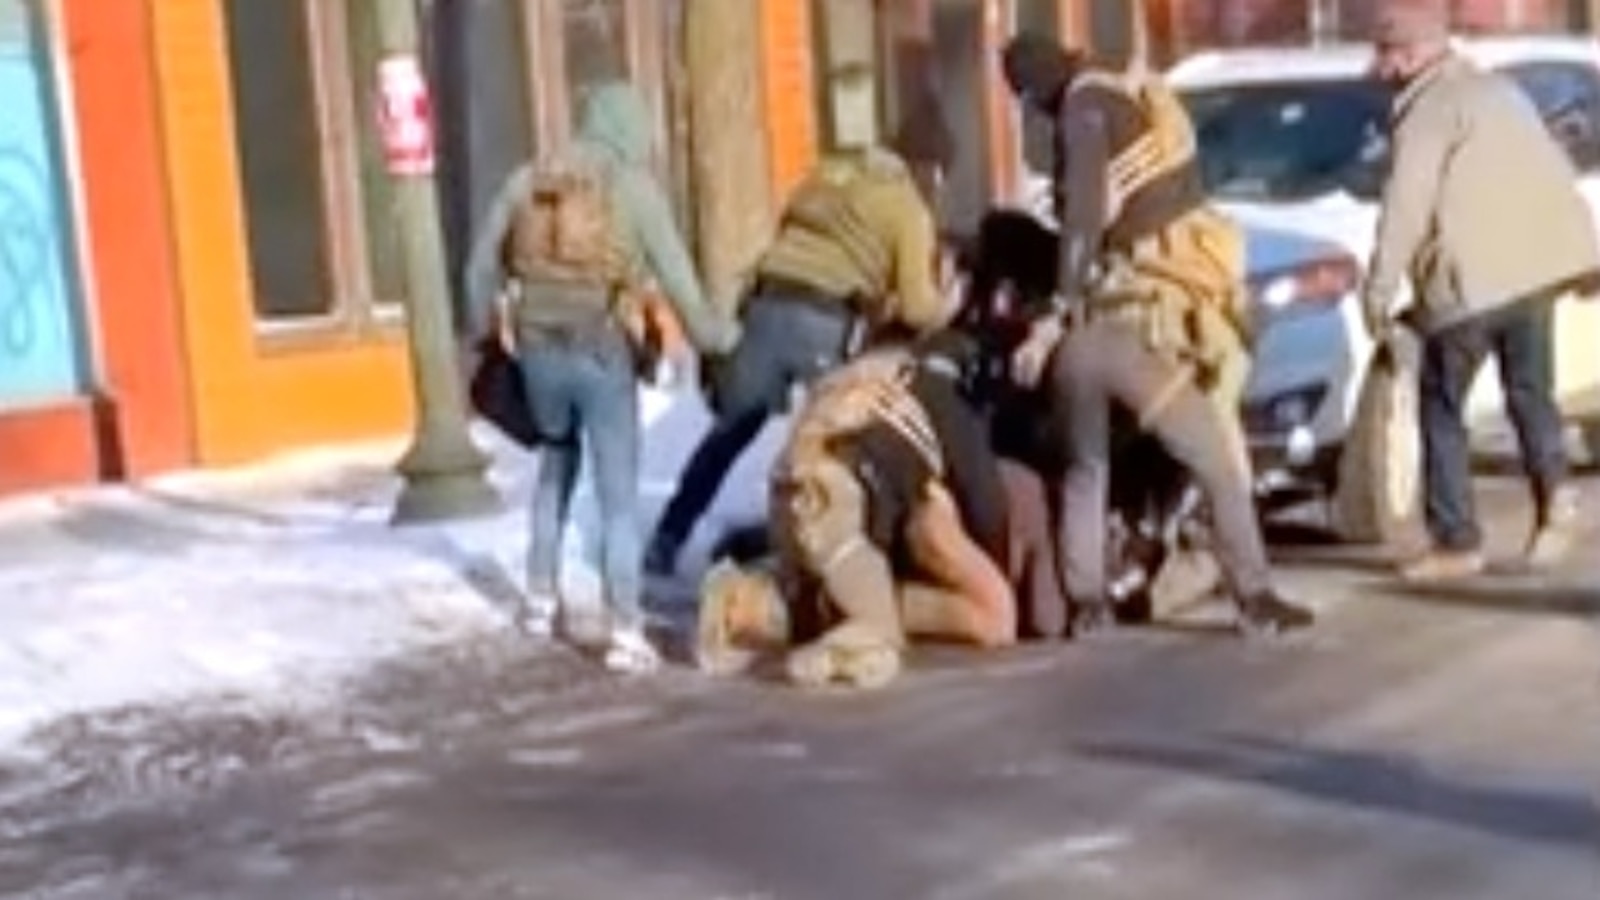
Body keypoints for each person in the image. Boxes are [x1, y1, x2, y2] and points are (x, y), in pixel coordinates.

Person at [999, 32, 1313, 636]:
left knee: (1086, 469)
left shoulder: (1082, 110)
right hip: (1135, 333)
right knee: (1215, 458)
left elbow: (1082, 221)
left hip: (1084, 340)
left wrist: (1055, 317)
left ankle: (1088, 605)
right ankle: (1255, 597)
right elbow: (1091, 219)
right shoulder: (1117, 94)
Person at [462, 82, 741, 673]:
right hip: (602, 351)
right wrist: (719, 339)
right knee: (617, 495)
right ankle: (625, 628)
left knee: (555, 463)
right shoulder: (635, 191)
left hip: (537, 349)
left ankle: (539, 598)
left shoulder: (530, 181)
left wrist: (486, 332)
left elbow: (480, 265)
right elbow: (681, 283)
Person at [645, 68, 957, 577]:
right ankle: (819, 552)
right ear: (933, 169)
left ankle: (668, 537)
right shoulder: (907, 208)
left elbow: (792, 232)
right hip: (824, 318)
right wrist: (948, 305)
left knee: (730, 433)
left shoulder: (828, 175)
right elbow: (918, 307)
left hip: (766, 304)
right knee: (832, 443)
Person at [1362, 4, 1599, 581]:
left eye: (1386, 55)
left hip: (1467, 285)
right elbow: (1551, 171)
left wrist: (1379, 289)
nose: (1379, 68)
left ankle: (1456, 541)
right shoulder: (1501, 93)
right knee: (1531, 393)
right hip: (1530, 276)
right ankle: (1556, 500)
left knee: (1441, 407)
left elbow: (1405, 206)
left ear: (1410, 55)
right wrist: (1583, 254)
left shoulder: (1427, 111)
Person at [695, 333, 1036, 689]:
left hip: (797, 487)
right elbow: (985, 503)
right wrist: (990, 558)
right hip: (842, 501)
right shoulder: (941, 397)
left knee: (833, 589)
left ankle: (751, 604)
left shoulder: (859, 382)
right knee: (880, 633)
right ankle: (831, 639)